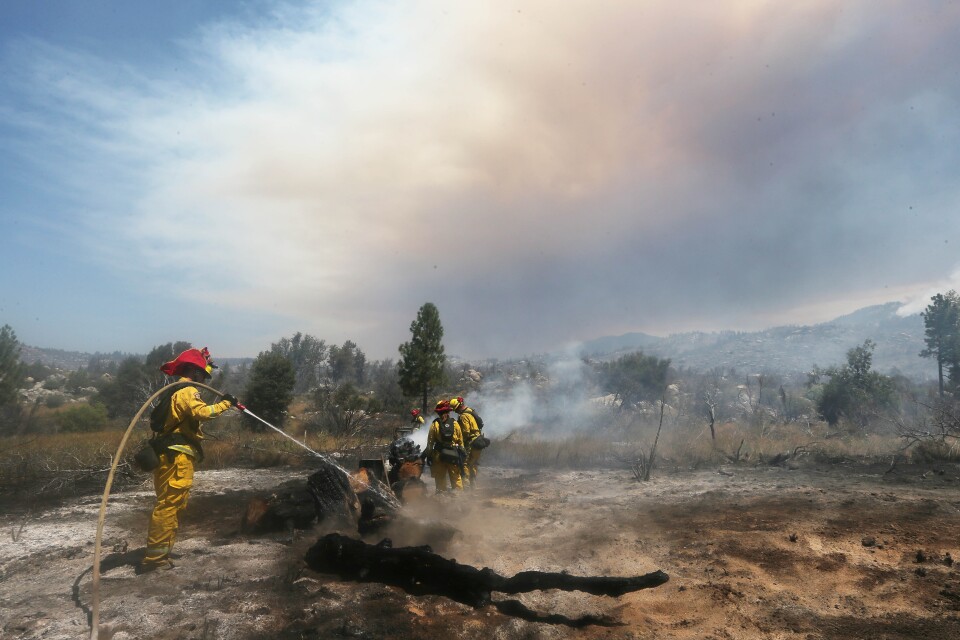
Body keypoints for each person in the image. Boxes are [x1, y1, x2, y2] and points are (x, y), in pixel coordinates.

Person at [139, 347, 236, 573]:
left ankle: (160, 554)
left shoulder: (178, 389)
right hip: (176, 457)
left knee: (172, 505)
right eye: (203, 373)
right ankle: (154, 561)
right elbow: (203, 413)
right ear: (195, 372)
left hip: (168, 455)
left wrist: (207, 362)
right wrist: (226, 404)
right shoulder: (187, 391)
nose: (204, 378)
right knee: (169, 506)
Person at [423, 399, 464, 493]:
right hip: (453, 455)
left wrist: (429, 456)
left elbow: (430, 443)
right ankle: (459, 499)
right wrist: (462, 455)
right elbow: (461, 442)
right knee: (456, 478)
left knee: (440, 479)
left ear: (438, 413)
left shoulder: (435, 424)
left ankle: (442, 499)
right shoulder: (455, 423)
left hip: (438, 456)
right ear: (448, 411)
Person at [450, 396, 484, 487]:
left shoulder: (463, 416)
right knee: (473, 463)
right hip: (479, 440)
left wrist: (460, 442)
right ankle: (473, 484)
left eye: (455, 409)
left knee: (465, 463)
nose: (455, 411)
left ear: (459, 406)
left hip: (471, 442)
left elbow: (466, 431)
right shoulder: (470, 411)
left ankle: (467, 485)